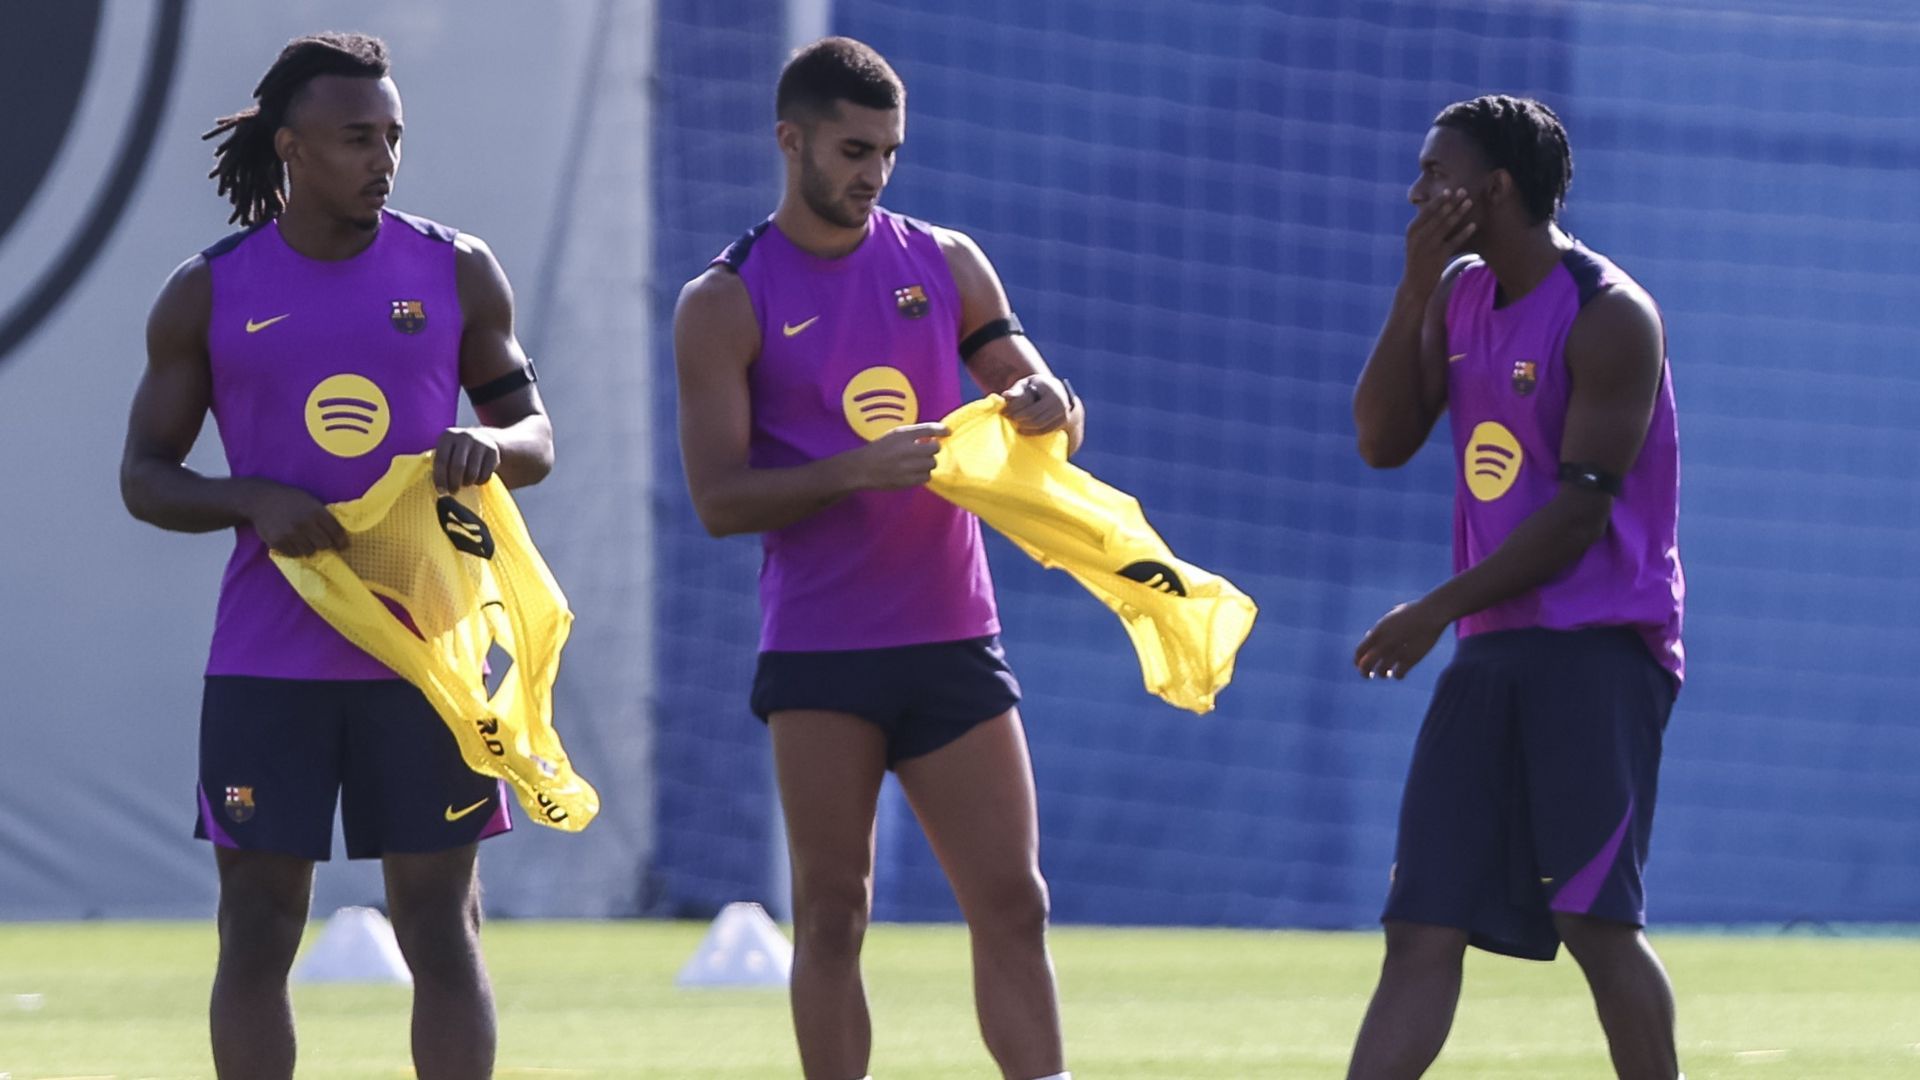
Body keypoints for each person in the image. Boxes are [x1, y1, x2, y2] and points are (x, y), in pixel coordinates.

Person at [119, 32, 551, 1080]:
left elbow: (535, 437)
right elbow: (145, 475)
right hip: (270, 663)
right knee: (259, 931)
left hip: (425, 657)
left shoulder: (456, 270)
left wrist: (487, 445)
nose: (383, 157)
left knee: (441, 929)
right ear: (292, 147)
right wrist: (252, 500)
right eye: (358, 136)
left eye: (393, 136)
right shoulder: (209, 290)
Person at [673, 36, 1080, 1080]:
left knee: (1014, 899)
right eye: (854, 150)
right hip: (823, 650)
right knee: (833, 913)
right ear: (790, 140)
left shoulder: (944, 260)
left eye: (889, 153)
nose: (874, 174)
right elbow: (718, 502)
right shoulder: (723, 299)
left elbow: (1042, 402)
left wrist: (1049, 403)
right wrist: (856, 472)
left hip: (952, 631)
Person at [1346, 95, 1685, 1080]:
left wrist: (1433, 609)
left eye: (1433, 172)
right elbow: (1382, 441)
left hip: (1597, 649)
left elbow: (1580, 515)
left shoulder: (1610, 313)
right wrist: (1412, 292)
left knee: (1594, 922)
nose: (1415, 192)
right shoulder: (1455, 292)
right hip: (1490, 644)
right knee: (1422, 923)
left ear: (1492, 188)